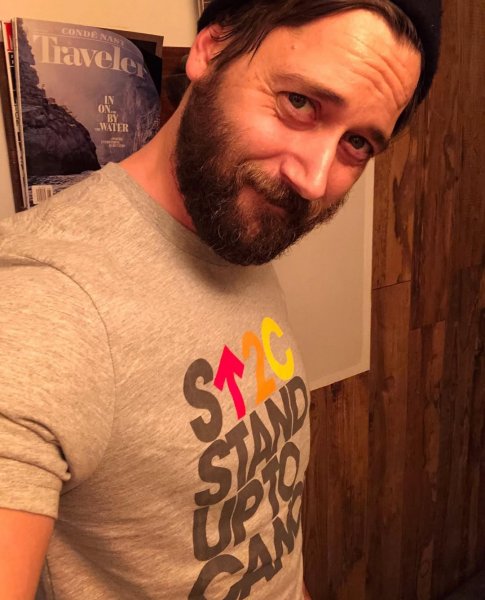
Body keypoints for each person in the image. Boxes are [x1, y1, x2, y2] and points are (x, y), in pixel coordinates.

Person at [0, 1, 441, 598]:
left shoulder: (232, 225)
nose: (313, 180)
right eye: (300, 102)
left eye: (357, 142)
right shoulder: (43, 300)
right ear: (211, 49)